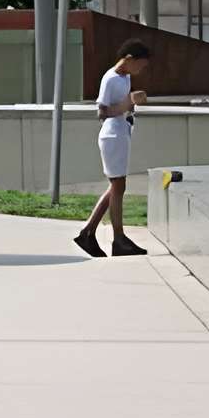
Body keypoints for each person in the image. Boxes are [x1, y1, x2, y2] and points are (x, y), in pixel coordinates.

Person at [74, 41, 152, 258]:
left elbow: (122, 106)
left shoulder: (125, 77)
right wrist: (127, 103)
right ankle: (118, 238)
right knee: (118, 186)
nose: (140, 70)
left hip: (121, 133)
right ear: (129, 59)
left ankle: (88, 232)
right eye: (140, 65)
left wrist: (133, 103)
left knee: (117, 187)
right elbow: (102, 112)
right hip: (111, 136)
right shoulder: (110, 78)